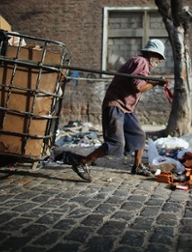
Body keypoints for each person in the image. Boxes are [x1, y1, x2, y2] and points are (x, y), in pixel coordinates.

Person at [71, 39, 167, 182]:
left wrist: (154, 82)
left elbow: (139, 84)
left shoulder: (143, 65)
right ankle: (82, 163)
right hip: (116, 105)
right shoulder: (141, 62)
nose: (159, 61)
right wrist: (155, 83)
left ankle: (137, 166)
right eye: (158, 57)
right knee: (116, 143)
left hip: (127, 109)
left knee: (139, 136)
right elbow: (139, 87)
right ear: (150, 53)